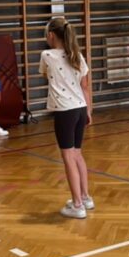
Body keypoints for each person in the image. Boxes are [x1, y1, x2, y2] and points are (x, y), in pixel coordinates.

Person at [40, 16, 94, 218]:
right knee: (77, 154)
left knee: (68, 157)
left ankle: (77, 205)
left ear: (51, 35)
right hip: (80, 108)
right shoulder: (77, 55)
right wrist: (88, 111)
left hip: (65, 111)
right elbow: (85, 86)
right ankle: (85, 197)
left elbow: (45, 75)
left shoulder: (47, 55)